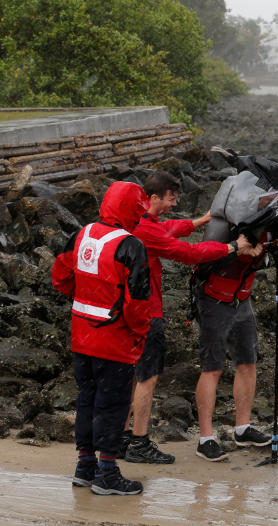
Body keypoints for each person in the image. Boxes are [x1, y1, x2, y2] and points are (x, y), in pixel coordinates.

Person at [123, 171, 255, 464]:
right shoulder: (145, 231)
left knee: (132, 375)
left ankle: (122, 438)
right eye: (171, 198)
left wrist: (201, 221)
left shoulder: (136, 221)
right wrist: (231, 247)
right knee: (146, 376)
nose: (174, 203)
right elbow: (188, 253)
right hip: (146, 311)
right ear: (154, 197)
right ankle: (139, 443)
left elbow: (166, 228)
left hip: (128, 310)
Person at [52, 181, 151, 496]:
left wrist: (85, 299)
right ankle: (107, 473)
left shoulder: (82, 234)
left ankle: (85, 466)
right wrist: (140, 332)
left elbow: (60, 276)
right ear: (132, 210)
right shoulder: (131, 245)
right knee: (113, 406)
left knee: (87, 400)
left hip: (81, 337)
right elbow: (137, 303)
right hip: (114, 342)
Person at [193, 228, 278, 462]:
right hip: (213, 298)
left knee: (248, 362)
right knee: (212, 367)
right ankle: (205, 440)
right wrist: (239, 249)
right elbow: (204, 260)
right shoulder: (232, 226)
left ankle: (243, 429)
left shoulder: (273, 229)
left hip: (241, 299)